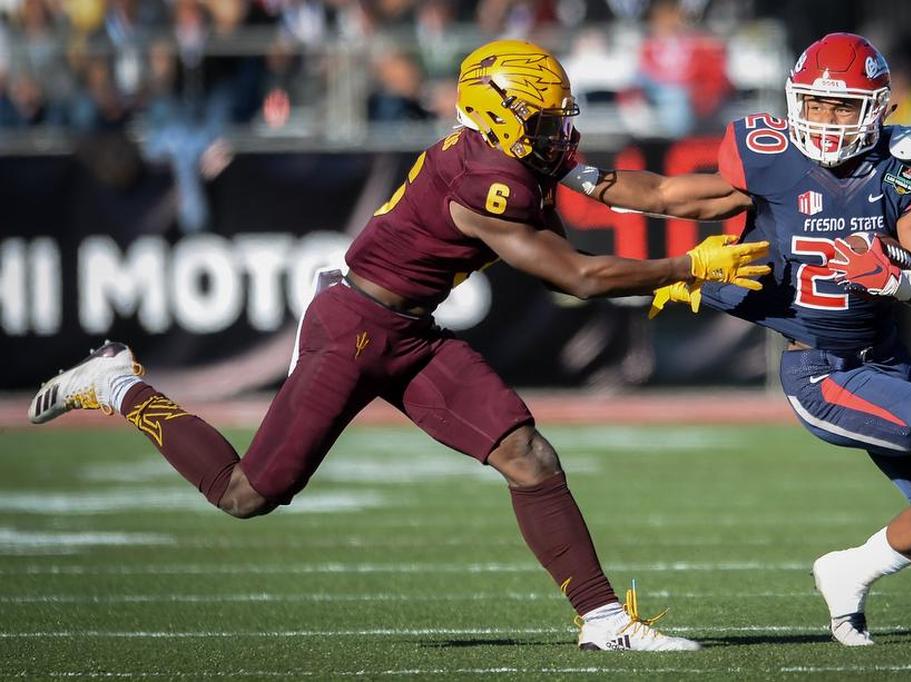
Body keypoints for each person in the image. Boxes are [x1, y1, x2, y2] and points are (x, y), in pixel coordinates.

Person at [27, 39, 769, 652]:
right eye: (542, 120)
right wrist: (685, 266)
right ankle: (120, 384)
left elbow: (647, 194)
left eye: (555, 119)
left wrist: (759, 193)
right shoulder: (487, 179)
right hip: (352, 329)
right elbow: (575, 276)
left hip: (408, 330)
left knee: (527, 454)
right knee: (247, 494)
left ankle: (605, 621)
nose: (557, 134)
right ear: (496, 116)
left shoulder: (517, 149)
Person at [559, 32, 911, 646]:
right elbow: (671, 196)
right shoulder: (769, 154)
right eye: (815, 104)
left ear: (878, 108)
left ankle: (846, 571)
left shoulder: (904, 168)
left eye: (842, 107)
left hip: (883, 357)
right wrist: (576, 172)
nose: (825, 120)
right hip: (821, 370)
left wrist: (903, 279)